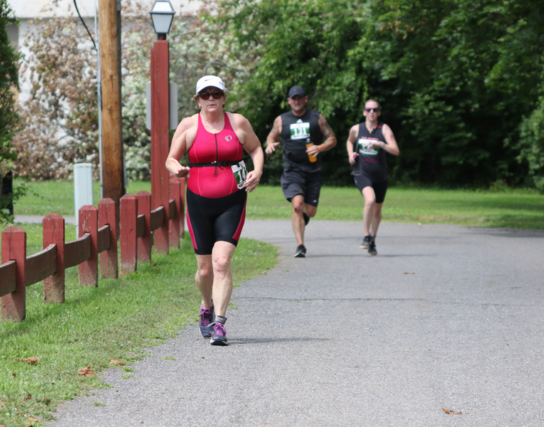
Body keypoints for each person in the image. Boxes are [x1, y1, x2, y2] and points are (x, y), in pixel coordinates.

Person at [166, 75, 264, 346]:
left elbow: (255, 148)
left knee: (222, 262)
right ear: (197, 100)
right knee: (205, 270)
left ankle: (219, 324)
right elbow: (170, 158)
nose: (211, 99)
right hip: (198, 201)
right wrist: (178, 169)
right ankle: (206, 305)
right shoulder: (188, 126)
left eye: (216, 94)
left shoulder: (239, 122)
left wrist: (258, 169)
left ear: (224, 98)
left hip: (232, 199)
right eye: (205, 95)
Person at [265, 86, 337, 257]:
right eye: (293, 98)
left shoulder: (316, 117)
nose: (296, 101)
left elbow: (332, 139)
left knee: (310, 211)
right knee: (297, 206)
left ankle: (302, 219)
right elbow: (271, 136)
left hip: (313, 170)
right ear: (289, 101)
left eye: (299, 98)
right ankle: (300, 246)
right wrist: (269, 144)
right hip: (292, 170)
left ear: (305, 99)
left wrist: (319, 147)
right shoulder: (281, 120)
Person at [346, 99, 400, 256]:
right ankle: (365, 235)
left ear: (379, 113)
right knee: (369, 200)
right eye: (368, 109)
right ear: (364, 112)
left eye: (375, 110)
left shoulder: (384, 129)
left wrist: (381, 145)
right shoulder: (356, 129)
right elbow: (349, 141)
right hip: (362, 173)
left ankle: (372, 241)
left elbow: (396, 150)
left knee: (377, 211)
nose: (371, 112)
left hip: (380, 175)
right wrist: (350, 154)